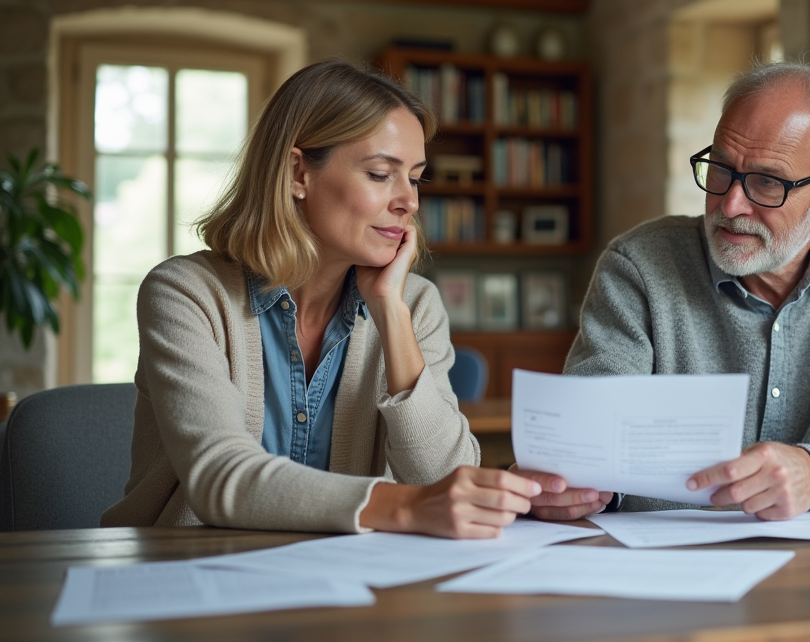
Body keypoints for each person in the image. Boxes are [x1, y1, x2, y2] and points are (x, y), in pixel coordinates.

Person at [519, 60, 810, 520]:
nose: (730, 203)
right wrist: (574, 488)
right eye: (720, 169)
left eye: (767, 181)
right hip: (667, 570)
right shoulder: (639, 267)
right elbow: (586, 446)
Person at [102, 60, 539, 538]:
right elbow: (218, 477)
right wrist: (405, 507)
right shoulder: (186, 293)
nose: (409, 202)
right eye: (379, 174)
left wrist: (391, 312)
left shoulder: (415, 303)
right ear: (297, 174)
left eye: (414, 178)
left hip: (345, 585)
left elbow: (442, 480)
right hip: (189, 577)